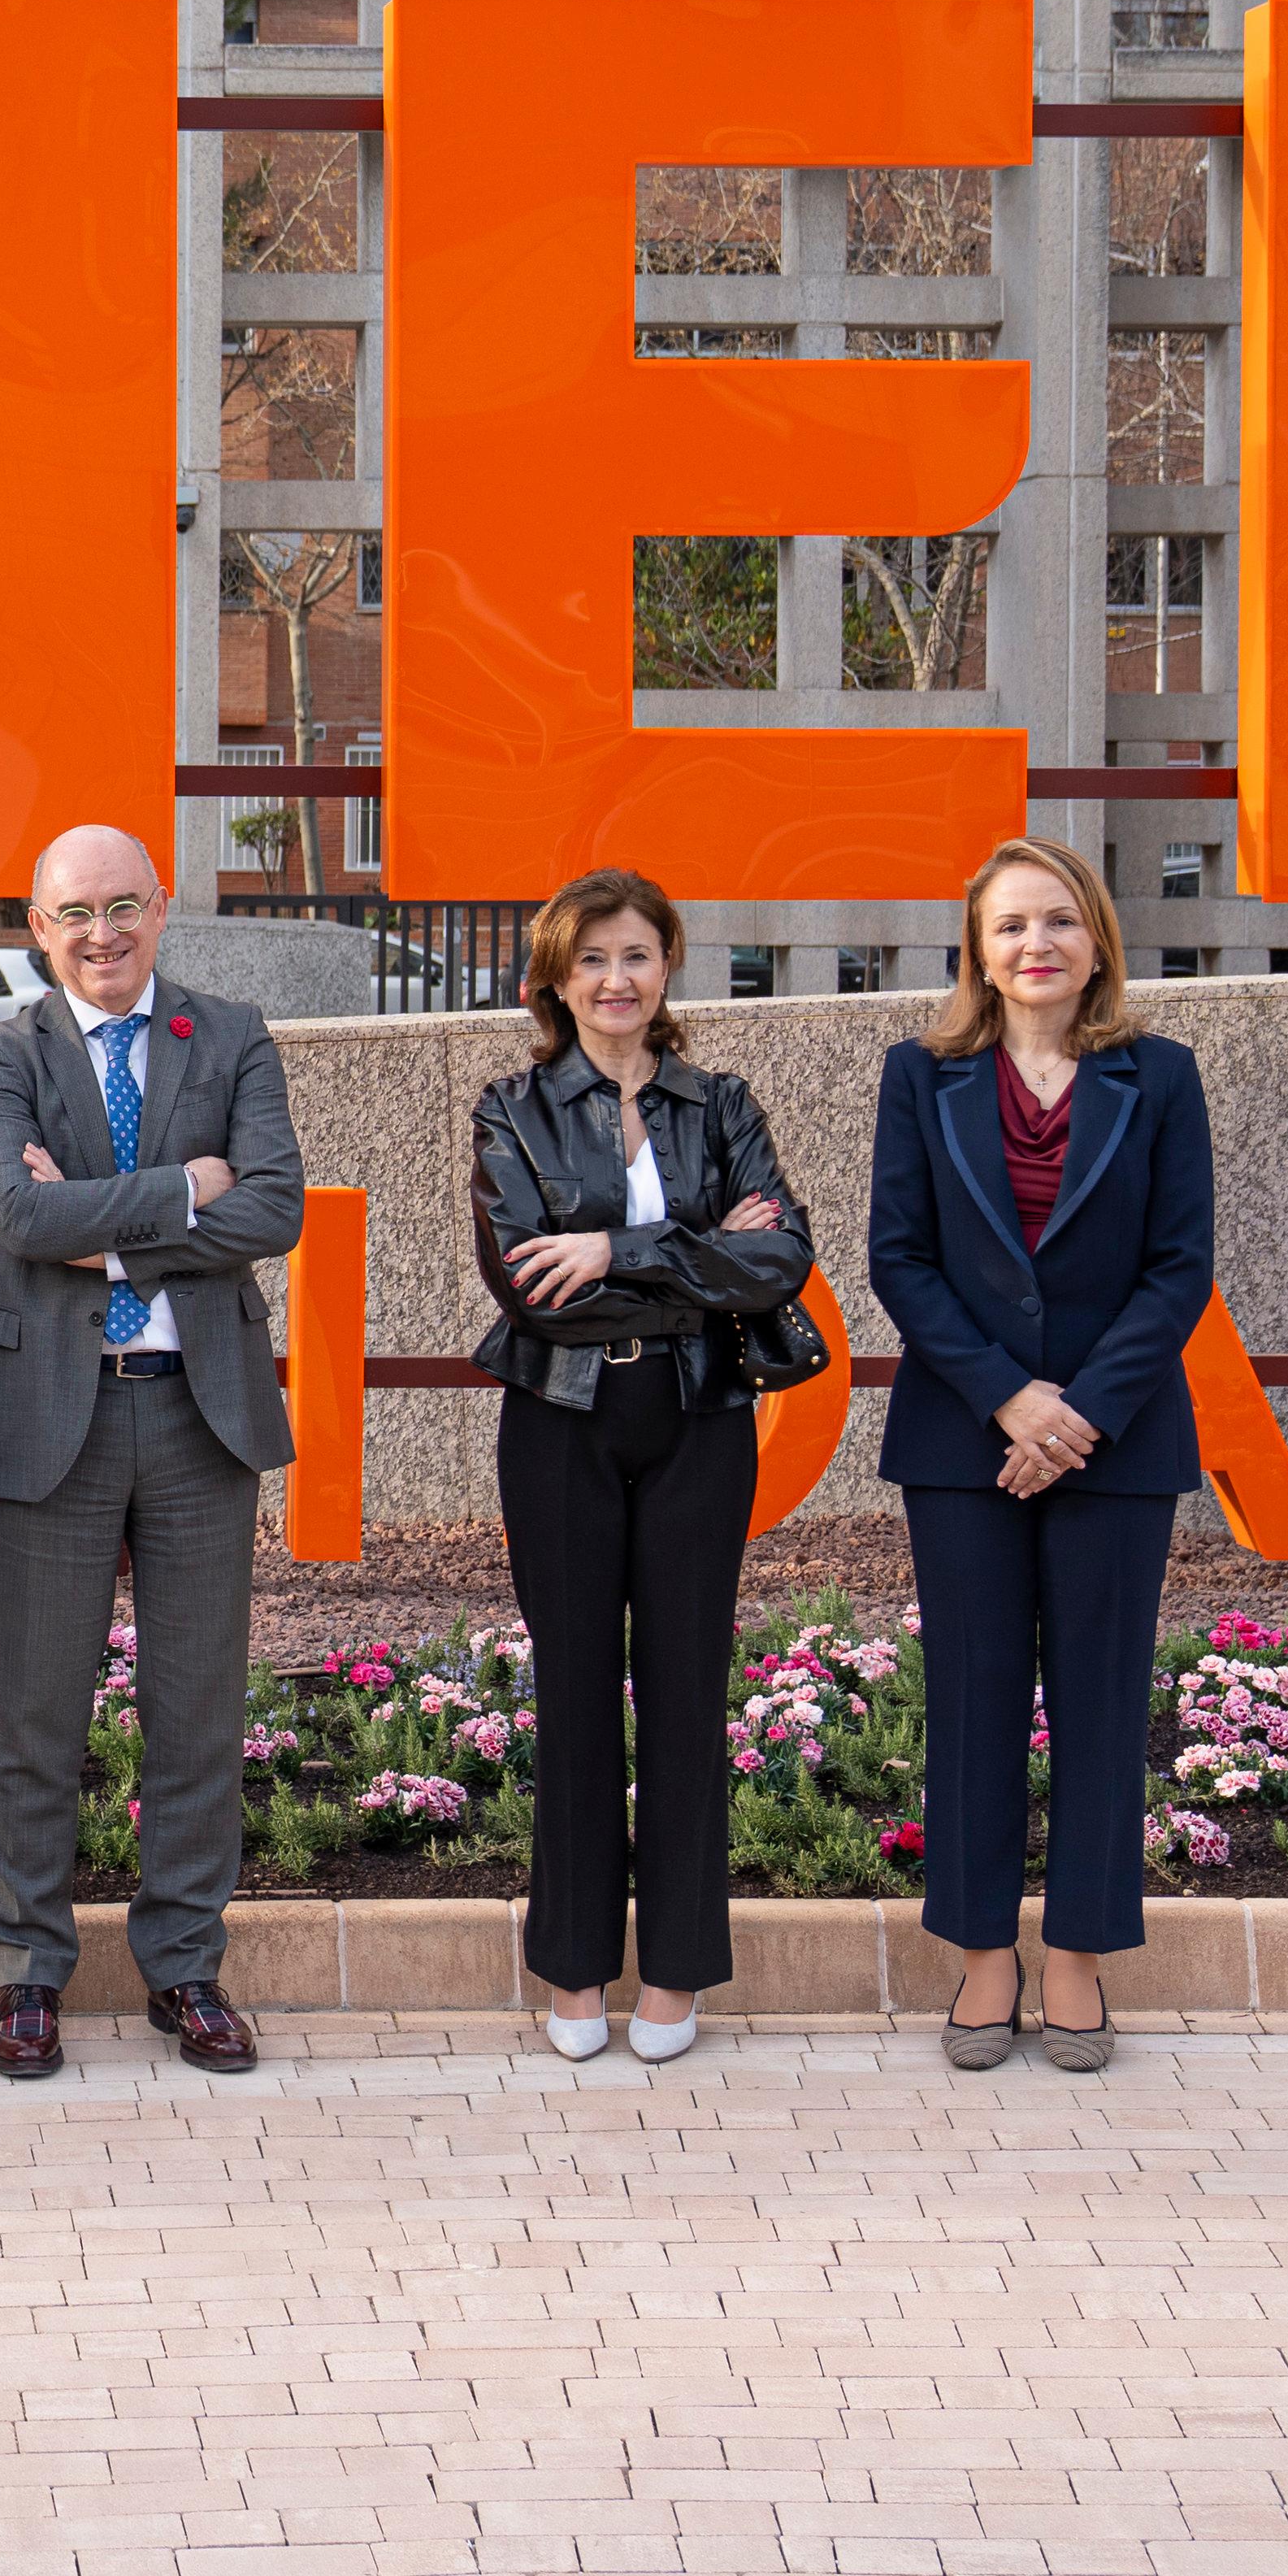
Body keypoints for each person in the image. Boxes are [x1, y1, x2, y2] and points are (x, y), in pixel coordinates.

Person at [0, 823, 305, 2083]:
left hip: (198, 1412)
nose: (101, 934)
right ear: (36, 928)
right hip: (56, 1414)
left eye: (122, 907)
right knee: (36, 1715)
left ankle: (186, 1970)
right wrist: (183, 1190)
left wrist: (104, 1232)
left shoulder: (234, 1033)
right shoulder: (3, 1051)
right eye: (72, 914)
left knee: (195, 1713)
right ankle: (27, 1975)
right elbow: (20, 1214)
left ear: (163, 906)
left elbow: (276, 1208)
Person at [869, 836, 1216, 2075]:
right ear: (979, 948)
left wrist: (1078, 1416)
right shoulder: (921, 1077)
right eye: (1012, 926)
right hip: (965, 1442)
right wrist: (1014, 1403)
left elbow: (1180, 1267)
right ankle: (982, 1959)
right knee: (970, 1708)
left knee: (1101, 1705)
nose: (1037, 946)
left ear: (1096, 940)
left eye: (1059, 922)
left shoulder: (1159, 1078)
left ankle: (1077, 1958)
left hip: (1117, 1447)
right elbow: (897, 1260)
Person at [469, 868, 813, 2066]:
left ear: (668, 968)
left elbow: (782, 1265)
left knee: (685, 1694)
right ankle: (571, 1968)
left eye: (638, 956)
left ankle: (674, 1969)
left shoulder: (721, 1102)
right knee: (572, 1699)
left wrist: (617, 1244)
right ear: (557, 982)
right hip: (561, 1420)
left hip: (699, 1417)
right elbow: (530, 1287)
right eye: (593, 960)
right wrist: (702, 1252)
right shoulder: (509, 1108)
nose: (617, 980)